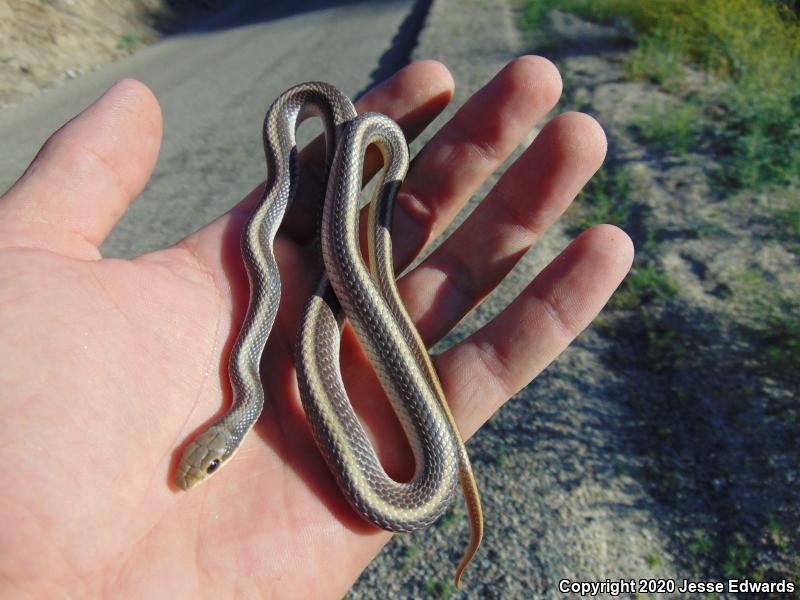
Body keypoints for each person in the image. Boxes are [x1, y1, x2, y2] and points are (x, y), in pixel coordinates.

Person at [0, 57, 632, 596]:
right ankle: (363, 197)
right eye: (208, 464)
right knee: (336, 271)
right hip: (343, 183)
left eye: (208, 462)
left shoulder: (257, 363)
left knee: (346, 263)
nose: (204, 466)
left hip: (355, 155)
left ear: (213, 442)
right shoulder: (244, 389)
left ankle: (370, 182)